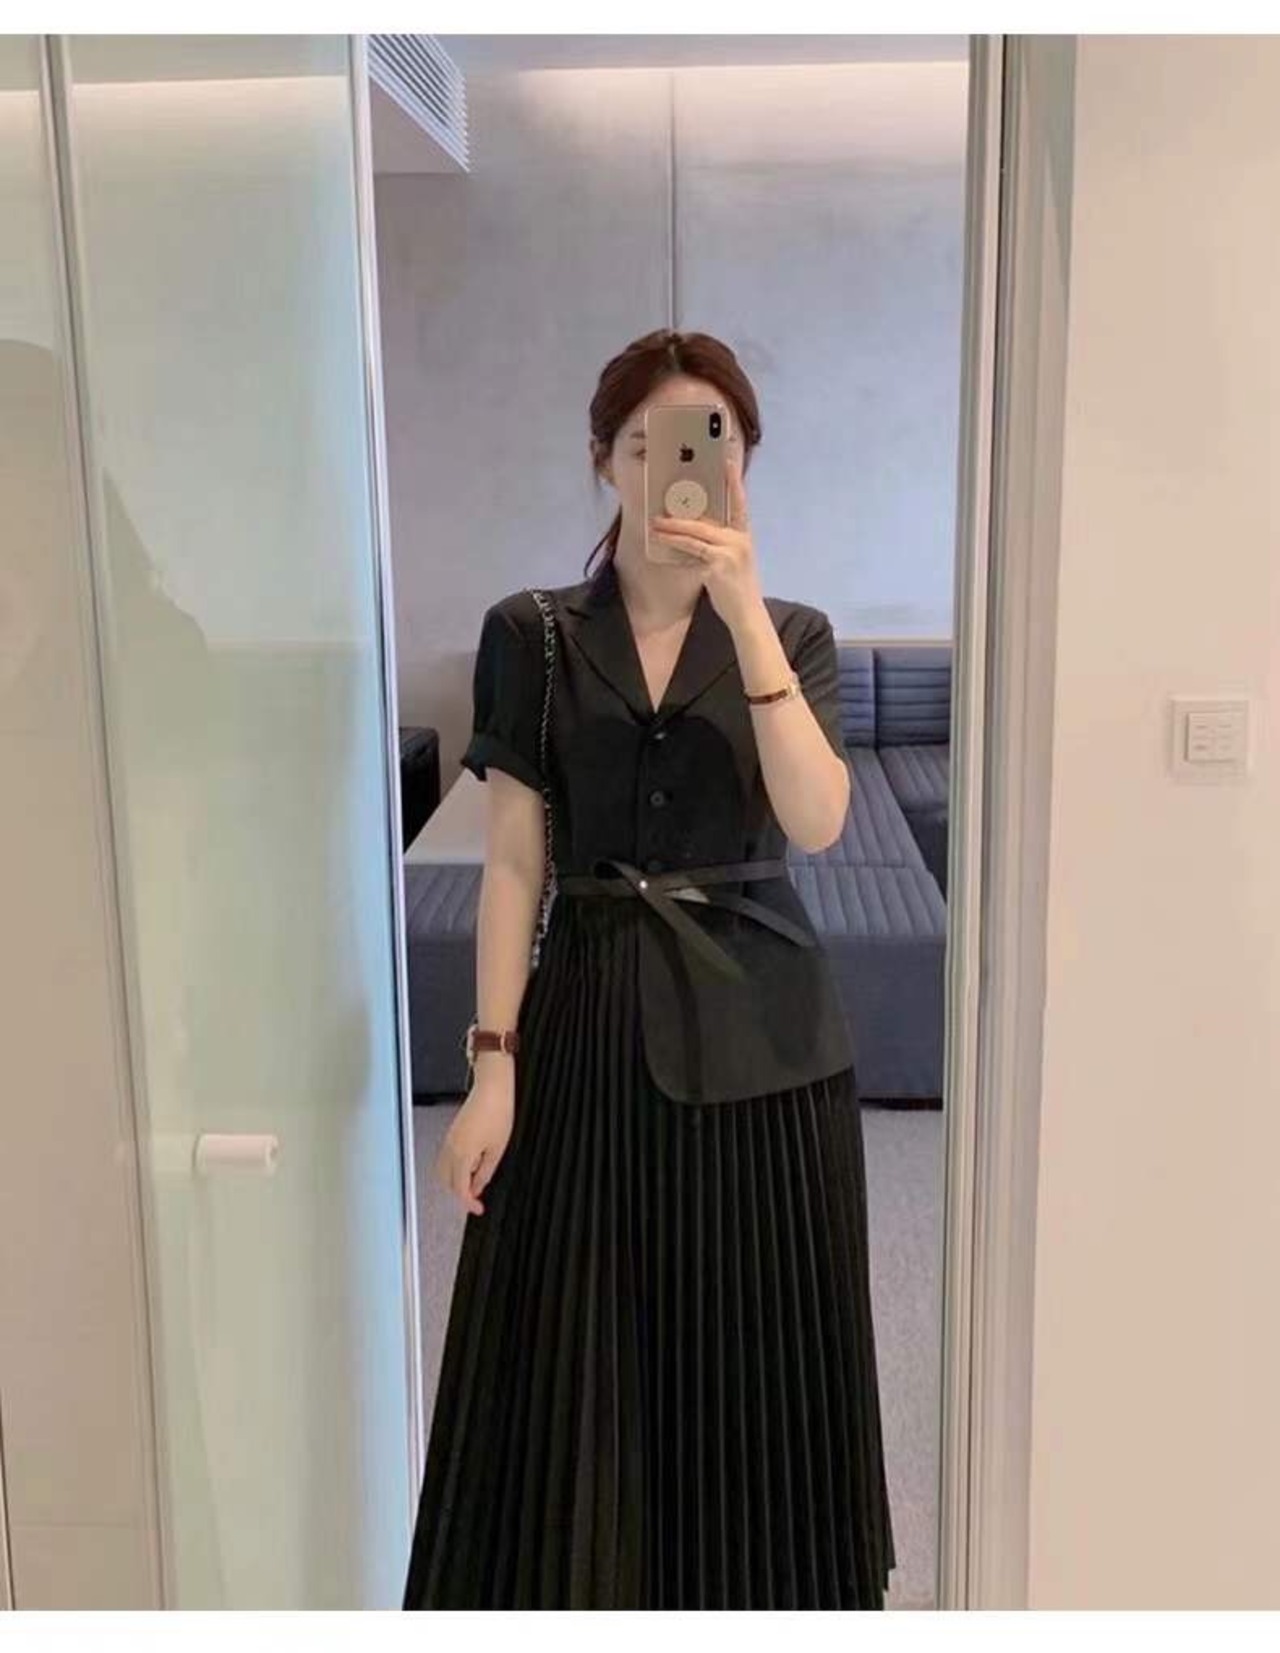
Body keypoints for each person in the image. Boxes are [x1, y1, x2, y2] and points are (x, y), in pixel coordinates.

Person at [402, 328, 896, 1609]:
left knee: (752, 1354)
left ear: (741, 467)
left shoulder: (791, 630)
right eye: (643, 443)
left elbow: (816, 821)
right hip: (587, 1021)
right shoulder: (533, 633)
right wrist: (491, 1065)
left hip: (766, 1039)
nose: (670, 466)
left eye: (707, 443)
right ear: (605, 460)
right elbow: (514, 863)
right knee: (571, 1348)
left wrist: (745, 615)